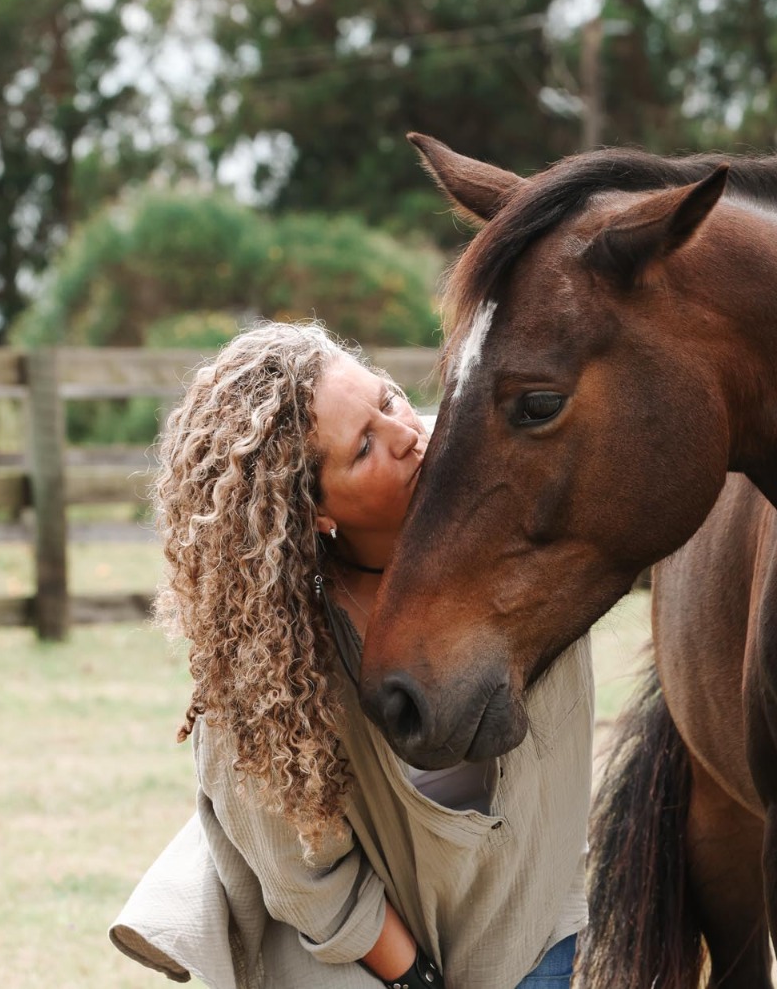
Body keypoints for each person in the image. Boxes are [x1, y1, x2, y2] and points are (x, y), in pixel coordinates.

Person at [110, 322, 593, 989]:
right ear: (314, 511)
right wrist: (415, 980)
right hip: (366, 961)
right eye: (365, 446)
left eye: (389, 400)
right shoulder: (268, 656)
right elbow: (305, 877)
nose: (407, 435)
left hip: (533, 928)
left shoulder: (516, 498)